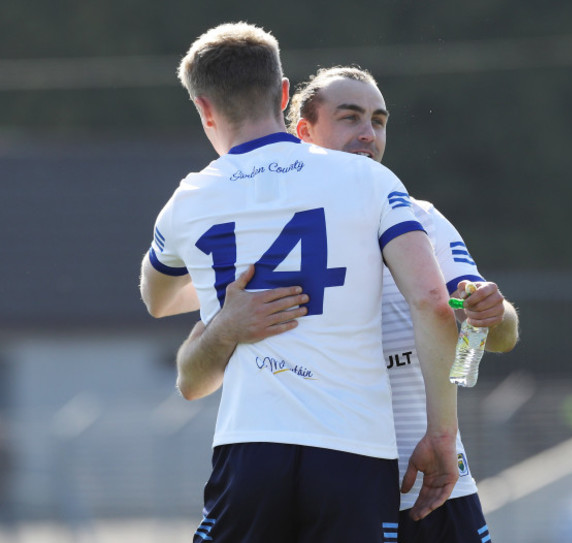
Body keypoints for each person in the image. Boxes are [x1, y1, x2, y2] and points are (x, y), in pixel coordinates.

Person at [139, 24, 460, 543]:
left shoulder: (188, 201)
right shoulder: (368, 179)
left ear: (204, 108)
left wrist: (229, 312)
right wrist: (441, 434)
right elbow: (432, 301)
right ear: (284, 93)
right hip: (354, 452)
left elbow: (157, 301)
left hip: (250, 449)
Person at [177, 66, 520, 542]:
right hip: (326, 484)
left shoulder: (422, 220)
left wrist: (491, 312)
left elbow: (497, 332)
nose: (368, 134)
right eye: (350, 117)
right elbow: (192, 379)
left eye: (378, 121)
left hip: (432, 485)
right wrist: (224, 329)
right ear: (303, 131)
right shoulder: (259, 234)